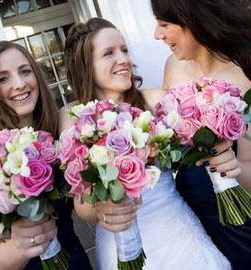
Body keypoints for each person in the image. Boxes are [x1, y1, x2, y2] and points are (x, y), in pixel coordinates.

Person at [61, 17, 231, 270]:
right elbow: (81, 204)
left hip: (177, 232)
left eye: (124, 50)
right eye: (109, 53)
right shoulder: (72, 116)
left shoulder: (155, 101)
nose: (123, 59)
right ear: (85, 65)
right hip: (122, 241)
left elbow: (203, 136)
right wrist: (103, 207)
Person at [150, 0, 251, 269]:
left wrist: (236, 166)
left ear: (190, 19)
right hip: (191, 209)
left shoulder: (243, 76)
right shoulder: (173, 66)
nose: (157, 34)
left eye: (164, 24)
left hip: (239, 216)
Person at [0, 41, 92, 270]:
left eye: (25, 71)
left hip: (75, 261)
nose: (20, 84)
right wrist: (19, 247)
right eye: (3, 79)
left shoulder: (59, 129)